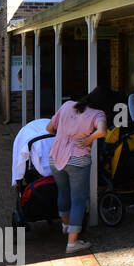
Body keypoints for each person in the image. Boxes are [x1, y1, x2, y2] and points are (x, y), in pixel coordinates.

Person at [45, 88, 110, 255]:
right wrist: (88, 139)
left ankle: (66, 226)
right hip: (78, 160)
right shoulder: (98, 114)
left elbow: (48, 128)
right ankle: (72, 243)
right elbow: (102, 131)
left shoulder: (67, 106)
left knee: (63, 193)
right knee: (79, 200)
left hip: (56, 157)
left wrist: (62, 134)